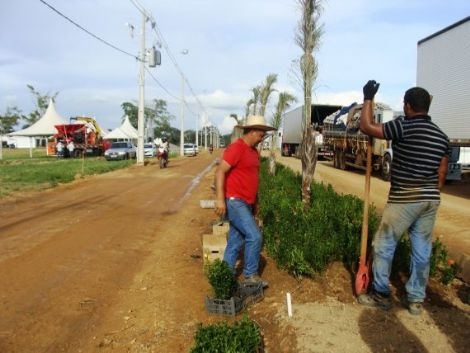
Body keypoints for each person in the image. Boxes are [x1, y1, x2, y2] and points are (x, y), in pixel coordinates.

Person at [357, 80, 449, 315]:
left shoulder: (403, 126)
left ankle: (380, 294)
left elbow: (367, 126)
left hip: (404, 198)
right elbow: (441, 174)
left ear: (408, 106)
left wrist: (367, 97)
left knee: (384, 245)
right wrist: (428, 194)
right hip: (430, 199)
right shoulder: (441, 137)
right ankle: (416, 300)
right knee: (421, 251)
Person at [214, 115, 276, 288]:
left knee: (236, 239)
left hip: (246, 203)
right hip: (235, 201)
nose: (263, 136)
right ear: (251, 131)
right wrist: (220, 199)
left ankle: (224, 274)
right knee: (255, 236)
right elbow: (220, 172)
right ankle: (250, 275)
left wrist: (255, 203)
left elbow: (252, 178)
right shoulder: (237, 148)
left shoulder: (253, 152)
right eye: (261, 133)